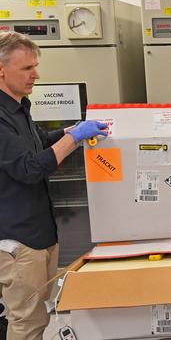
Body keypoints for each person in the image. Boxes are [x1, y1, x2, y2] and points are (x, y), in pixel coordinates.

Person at [0, 31, 107, 340]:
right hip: (17, 240)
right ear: (1, 69)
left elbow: (39, 144)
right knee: (27, 322)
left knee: (39, 316)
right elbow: (30, 168)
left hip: (40, 233)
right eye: (26, 68)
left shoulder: (19, 107)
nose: (36, 74)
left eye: (35, 66)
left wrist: (72, 130)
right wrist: (73, 139)